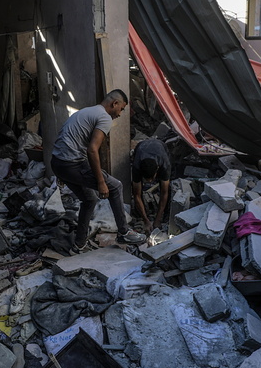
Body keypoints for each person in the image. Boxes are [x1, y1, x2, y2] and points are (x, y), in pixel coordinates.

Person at [51, 90, 146, 253]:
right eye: (121, 109)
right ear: (114, 104)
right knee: (115, 186)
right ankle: (124, 232)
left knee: (89, 199)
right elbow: (92, 150)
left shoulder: (88, 111)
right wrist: (101, 182)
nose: (120, 113)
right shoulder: (104, 117)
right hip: (71, 163)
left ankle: (79, 244)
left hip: (59, 163)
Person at [131, 138, 171, 233]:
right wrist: (146, 221)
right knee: (137, 191)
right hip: (141, 146)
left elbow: (164, 194)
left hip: (160, 146)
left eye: (152, 179)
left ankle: (165, 214)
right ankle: (142, 213)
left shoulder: (165, 165)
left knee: (166, 187)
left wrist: (157, 220)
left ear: (157, 169)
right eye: (146, 179)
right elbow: (136, 195)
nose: (150, 182)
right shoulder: (136, 166)